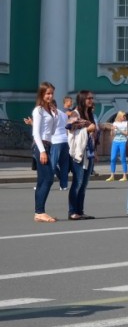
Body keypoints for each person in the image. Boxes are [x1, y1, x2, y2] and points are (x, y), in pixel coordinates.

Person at [66, 90, 97, 220]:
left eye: (92, 98)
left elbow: (94, 134)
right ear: (82, 99)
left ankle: (80, 211)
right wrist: (86, 128)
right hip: (78, 153)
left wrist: (95, 151)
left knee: (83, 185)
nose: (91, 100)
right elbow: (68, 126)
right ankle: (72, 211)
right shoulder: (75, 113)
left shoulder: (90, 114)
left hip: (88, 153)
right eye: (88, 98)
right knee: (77, 183)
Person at [31, 82, 59, 223]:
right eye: (47, 93)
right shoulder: (39, 110)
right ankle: (40, 211)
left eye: (52, 93)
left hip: (48, 145)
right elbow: (36, 133)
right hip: (40, 146)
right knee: (48, 179)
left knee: (42, 180)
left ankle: (39, 212)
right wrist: (42, 151)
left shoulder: (50, 110)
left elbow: (52, 132)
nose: (50, 96)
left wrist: (55, 116)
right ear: (42, 94)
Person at [108, 111, 128, 182]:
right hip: (115, 141)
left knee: (123, 158)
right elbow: (112, 134)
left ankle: (125, 176)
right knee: (113, 158)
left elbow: (126, 133)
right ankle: (112, 175)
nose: (124, 117)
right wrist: (112, 129)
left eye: (125, 116)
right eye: (123, 116)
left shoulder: (126, 123)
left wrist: (119, 129)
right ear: (120, 116)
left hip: (123, 141)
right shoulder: (115, 123)